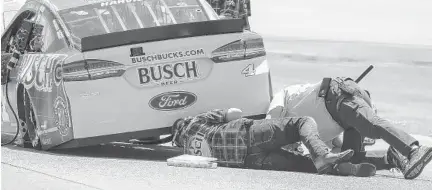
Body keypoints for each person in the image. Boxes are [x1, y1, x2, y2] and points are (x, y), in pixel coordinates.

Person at [266, 76, 432, 179]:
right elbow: (337, 148)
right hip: (342, 115)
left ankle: (413, 150)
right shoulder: (308, 131)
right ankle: (391, 158)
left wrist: (279, 146)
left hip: (337, 97)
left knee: (372, 127)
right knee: (351, 158)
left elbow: (270, 126)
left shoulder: (281, 98)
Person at [171, 107, 381, 176]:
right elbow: (235, 113)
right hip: (249, 134)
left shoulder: (188, 154)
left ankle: (345, 169)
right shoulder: (196, 121)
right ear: (185, 122)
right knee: (301, 123)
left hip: (250, 162)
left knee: (304, 165)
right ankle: (323, 154)